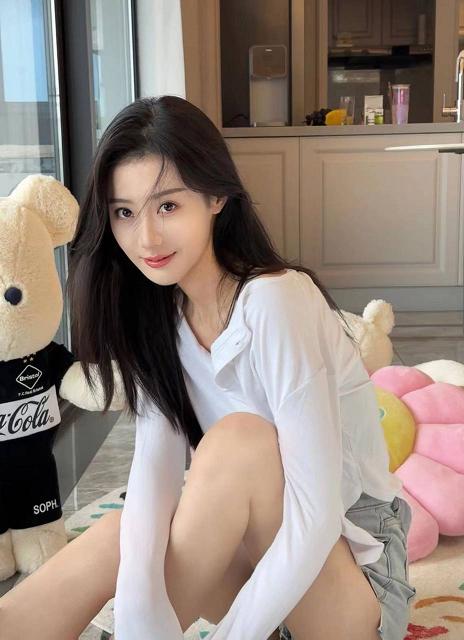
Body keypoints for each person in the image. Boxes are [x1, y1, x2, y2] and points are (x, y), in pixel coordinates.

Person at [0, 96, 416, 640]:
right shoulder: (162, 317)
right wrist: (141, 613)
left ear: (216, 196)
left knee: (240, 442)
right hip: (263, 568)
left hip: (351, 575)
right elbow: (153, 475)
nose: (146, 238)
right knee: (122, 536)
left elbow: (314, 517)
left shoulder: (275, 300)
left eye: (167, 206)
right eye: (125, 212)